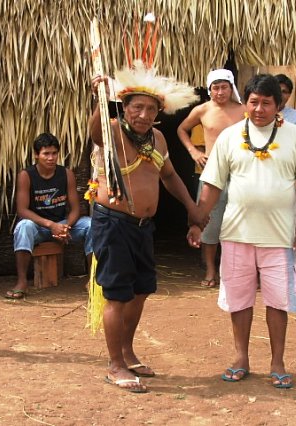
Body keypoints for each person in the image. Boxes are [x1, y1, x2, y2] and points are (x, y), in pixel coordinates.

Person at [187, 74, 296, 389]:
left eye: (267, 103)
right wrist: (198, 221)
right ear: (245, 102)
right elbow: (213, 184)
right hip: (235, 235)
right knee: (239, 300)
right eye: (253, 102)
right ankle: (241, 357)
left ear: (278, 105)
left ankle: (277, 362)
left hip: (280, 236)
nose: (259, 109)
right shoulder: (231, 136)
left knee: (278, 302)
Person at [89, 60, 204, 393]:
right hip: (113, 222)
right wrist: (98, 96)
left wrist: (192, 209)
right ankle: (114, 365)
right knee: (117, 294)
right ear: (124, 108)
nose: (142, 114)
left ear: (158, 113)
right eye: (136, 107)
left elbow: (168, 176)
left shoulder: (158, 139)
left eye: (149, 109)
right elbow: (94, 132)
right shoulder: (111, 130)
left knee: (140, 291)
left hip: (142, 226)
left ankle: (126, 352)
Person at [177, 69, 246, 287]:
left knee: (239, 222)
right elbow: (182, 129)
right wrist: (194, 152)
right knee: (208, 223)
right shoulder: (202, 110)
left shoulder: (244, 110)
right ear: (209, 90)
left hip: (240, 172)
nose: (220, 92)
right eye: (215, 87)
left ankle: (234, 272)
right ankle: (210, 270)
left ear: (231, 87)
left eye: (224, 87)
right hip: (212, 174)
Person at [5, 133, 92, 299]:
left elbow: (76, 208)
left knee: (91, 225)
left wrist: (66, 227)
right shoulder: (26, 175)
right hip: (39, 226)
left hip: (63, 225)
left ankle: (93, 279)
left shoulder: (66, 174)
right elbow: (22, 210)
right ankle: (22, 282)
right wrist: (51, 225)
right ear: (37, 155)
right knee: (23, 227)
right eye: (46, 154)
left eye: (54, 153)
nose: (51, 158)